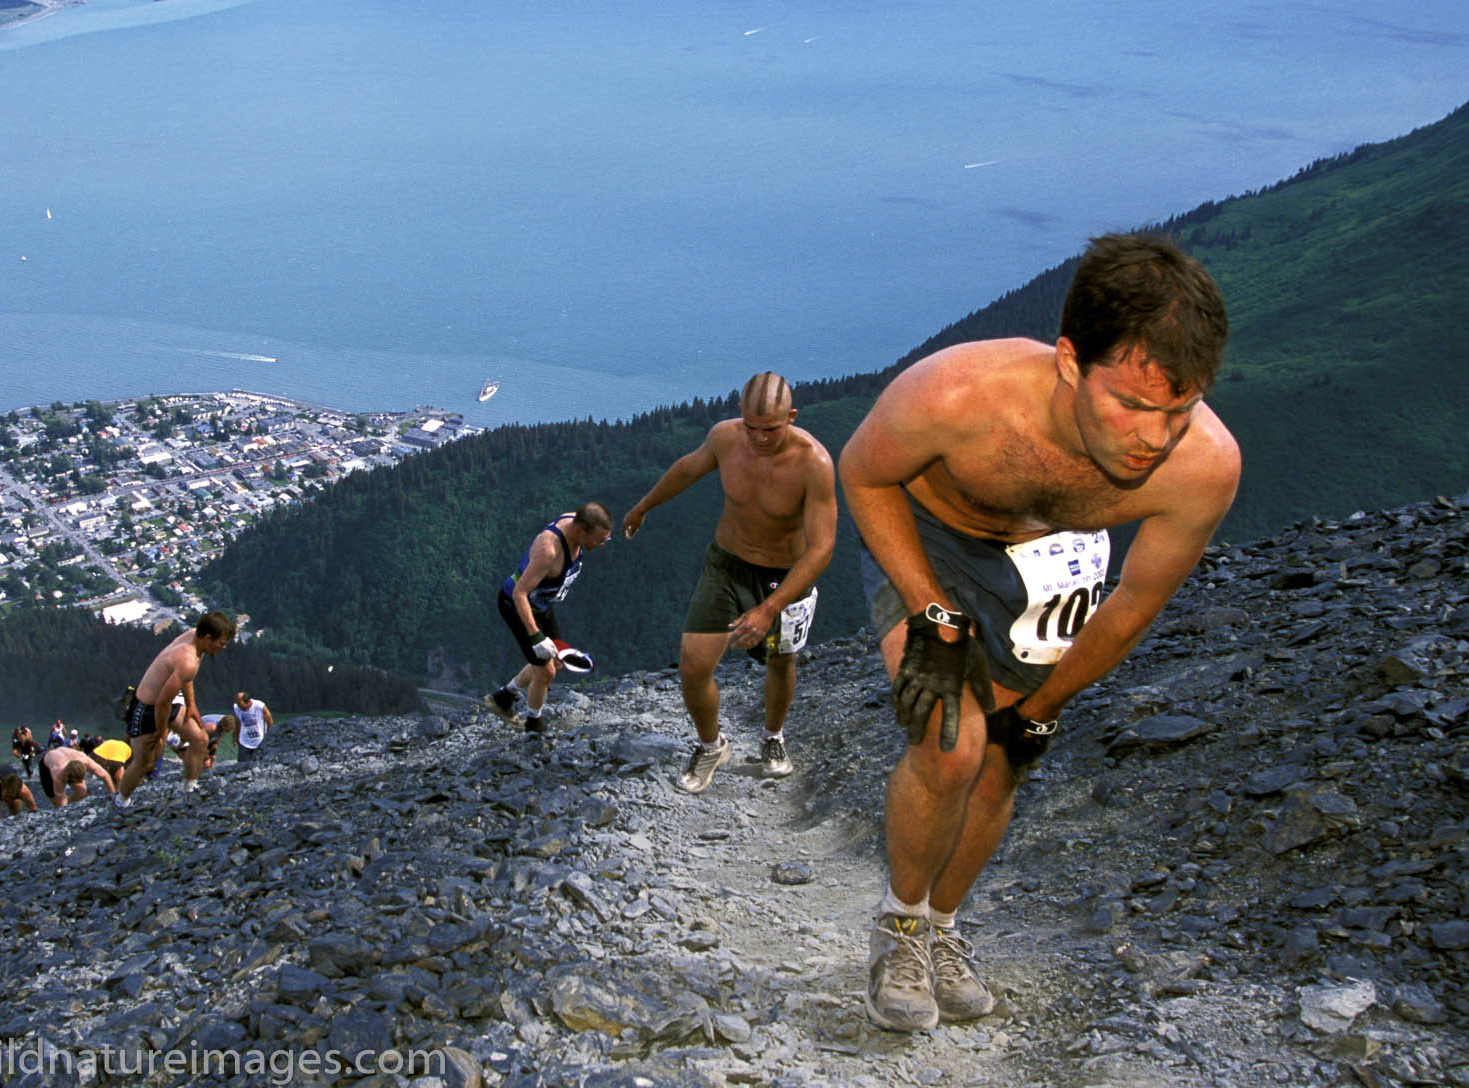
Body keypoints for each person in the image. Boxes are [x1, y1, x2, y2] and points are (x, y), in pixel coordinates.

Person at [839, 232, 1241, 1032]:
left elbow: (1130, 605)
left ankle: (945, 930)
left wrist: (1043, 708)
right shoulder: (958, 396)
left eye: (1179, 409)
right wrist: (933, 613)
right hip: (931, 541)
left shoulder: (1204, 468)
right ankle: (900, 923)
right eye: (1128, 405)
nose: (1152, 438)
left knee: (1001, 764)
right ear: (1068, 361)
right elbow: (861, 471)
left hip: (1054, 565)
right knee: (950, 747)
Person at [622, 372, 837, 791]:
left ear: (791, 417)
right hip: (726, 564)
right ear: (741, 416)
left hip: (783, 577)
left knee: (780, 660)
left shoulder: (814, 463)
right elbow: (689, 468)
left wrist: (768, 609)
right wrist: (644, 505)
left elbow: (821, 548)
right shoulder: (725, 438)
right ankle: (711, 745)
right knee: (693, 664)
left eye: (771, 429)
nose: (759, 438)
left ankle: (772, 738)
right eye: (752, 428)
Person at [482, 502, 612, 734]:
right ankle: (534, 726)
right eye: (599, 540)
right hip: (516, 606)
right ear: (581, 531)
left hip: (542, 604)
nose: (602, 545)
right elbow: (519, 593)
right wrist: (536, 637)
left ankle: (503, 698)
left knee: (558, 660)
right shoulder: (549, 550)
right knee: (546, 670)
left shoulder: (577, 520)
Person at [115, 611, 235, 804]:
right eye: (221, 642)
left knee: (200, 739)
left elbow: (183, 679)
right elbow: (162, 702)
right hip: (146, 709)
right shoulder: (187, 659)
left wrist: (191, 704)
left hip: (169, 702)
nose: (223, 647)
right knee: (145, 762)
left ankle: (189, 789)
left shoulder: (196, 638)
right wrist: (161, 734)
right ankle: (121, 802)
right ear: (207, 638)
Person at [39, 742, 118, 807]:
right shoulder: (57, 774)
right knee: (56, 802)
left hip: (67, 760)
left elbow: (105, 775)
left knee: (82, 793)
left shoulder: (84, 759)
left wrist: (113, 795)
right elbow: (60, 798)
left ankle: (69, 802)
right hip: (46, 767)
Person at [232, 692, 275, 760]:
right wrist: (235, 737)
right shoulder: (236, 707)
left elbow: (270, 722)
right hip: (244, 741)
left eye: (241, 705)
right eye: (237, 704)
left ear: (248, 702)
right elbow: (237, 723)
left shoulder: (259, 706)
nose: (239, 707)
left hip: (260, 741)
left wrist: (270, 738)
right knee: (241, 765)